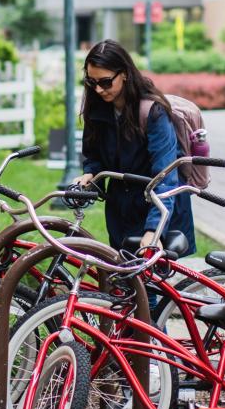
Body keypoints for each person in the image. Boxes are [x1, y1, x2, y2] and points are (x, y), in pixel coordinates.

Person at [73, 39, 196, 253]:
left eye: (105, 82)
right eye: (91, 83)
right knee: (124, 280)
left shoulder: (153, 112)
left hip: (160, 210)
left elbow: (165, 177)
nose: (99, 90)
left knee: (156, 284)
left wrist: (154, 229)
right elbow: (93, 155)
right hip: (121, 210)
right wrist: (90, 174)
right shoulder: (96, 109)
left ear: (125, 74)